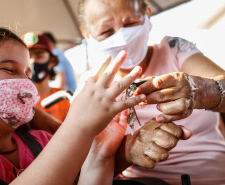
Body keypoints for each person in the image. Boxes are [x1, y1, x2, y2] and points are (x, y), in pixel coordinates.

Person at [0, 27, 191, 185]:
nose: (25, 84)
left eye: (27, 75)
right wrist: (79, 126)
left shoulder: (41, 141)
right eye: (9, 69)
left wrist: (100, 156)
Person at [76, 0, 225, 184]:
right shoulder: (90, 87)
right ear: (87, 34)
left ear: (147, 13)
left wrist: (202, 89)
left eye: (130, 23)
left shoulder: (174, 49)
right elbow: (83, 167)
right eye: (106, 31)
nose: (122, 37)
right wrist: (129, 151)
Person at [21, 32, 70, 122]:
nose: (32, 61)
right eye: (26, 58)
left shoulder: (65, 97)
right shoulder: (20, 103)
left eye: (39, 56)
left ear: (52, 61)